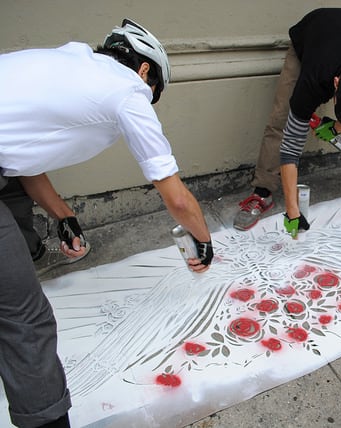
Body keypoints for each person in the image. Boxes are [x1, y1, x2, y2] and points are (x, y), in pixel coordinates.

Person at [0, 19, 213, 428]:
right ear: (145, 70)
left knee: (18, 229)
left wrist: (64, 216)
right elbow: (177, 198)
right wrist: (202, 241)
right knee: (26, 321)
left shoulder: (71, 60)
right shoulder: (128, 90)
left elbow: (21, 155)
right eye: (155, 94)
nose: (149, 101)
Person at [233, 8, 341, 236]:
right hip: (311, 36)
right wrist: (292, 210)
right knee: (281, 116)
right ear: (336, 83)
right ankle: (262, 192)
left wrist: (336, 127)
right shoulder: (313, 80)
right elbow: (290, 147)